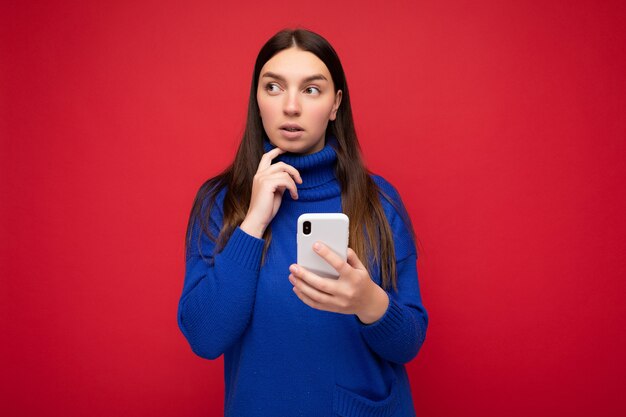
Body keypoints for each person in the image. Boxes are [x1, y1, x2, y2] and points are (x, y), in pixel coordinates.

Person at [177, 27, 428, 417]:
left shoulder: (380, 201)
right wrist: (254, 225)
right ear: (257, 100)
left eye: (311, 89)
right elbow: (205, 338)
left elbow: (409, 344)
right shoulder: (219, 202)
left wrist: (369, 303)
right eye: (274, 87)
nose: (290, 106)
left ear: (334, 104)